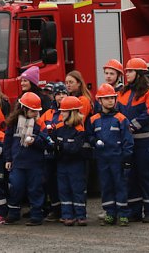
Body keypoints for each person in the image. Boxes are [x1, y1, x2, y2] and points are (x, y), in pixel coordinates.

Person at [117, 57, 149, 223]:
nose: (127, 74)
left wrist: (131, 126)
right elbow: (118, 112)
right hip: (128, 143)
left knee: (146, 177)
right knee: (131, 177)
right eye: (127, 71)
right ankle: (134, 211)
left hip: (144, 143)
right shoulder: (123, 92)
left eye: (130, 71)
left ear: (139, 73)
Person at [89, 84, 133, 226]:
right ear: (99, 101)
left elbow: (128, 140)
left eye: (112, 98)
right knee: (106, 186)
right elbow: (89, 136)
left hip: (117, 159)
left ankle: (123, 214)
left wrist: (127, 159)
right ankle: (110, 213)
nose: (110, 101)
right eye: (106, 98)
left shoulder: (121, 118)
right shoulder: (93, 119)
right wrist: (95, 141)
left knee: (120, 186)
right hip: (102, 159)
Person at [4, 92, 48, 225]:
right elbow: (7, 142)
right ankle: (13, 213)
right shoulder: (13, 123)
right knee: (15, 187)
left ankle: (36, 215)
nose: (35, 113)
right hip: (17, 163)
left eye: (36, 111)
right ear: (23, 108)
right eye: (32, 110)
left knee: (35, 189)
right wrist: (8, 159)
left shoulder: (40, 124)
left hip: (35, 164)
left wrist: (35, 141)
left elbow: (46, 142)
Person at [52, 96, 88, 226]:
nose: (61, 114)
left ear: (72, 112)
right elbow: (53, 143)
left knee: (77, 189)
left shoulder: (80, 129)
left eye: (63, 111)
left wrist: (61, 146)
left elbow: (75, 149)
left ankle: (81, 215)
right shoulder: (59, 127)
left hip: (76, 164)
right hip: (62, 163)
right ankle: (67, 215)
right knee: (64, 189)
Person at [41, 82, 66, 221]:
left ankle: (65, 210)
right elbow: (41, 129)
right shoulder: (47, 114)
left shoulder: (70, 111)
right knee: (50, 182)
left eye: (63, 93)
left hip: (64, 153)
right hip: (50, 154)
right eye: (58, 94)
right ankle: (55, 209)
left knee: (63, 182)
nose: (61, 96)